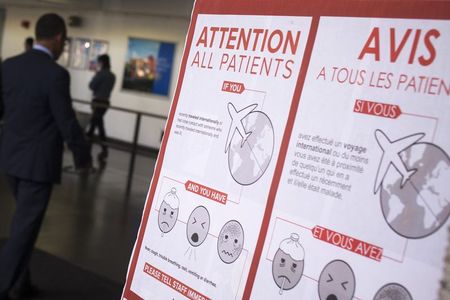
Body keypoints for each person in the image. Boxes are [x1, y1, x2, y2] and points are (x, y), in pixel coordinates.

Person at [0, 13, 92, 300]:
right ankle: (4, 287)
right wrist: (82, 156)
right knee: (23, 231)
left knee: (21, 224)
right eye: (63, 42)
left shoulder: (10, 66)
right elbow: (66, 120)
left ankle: (20, 284)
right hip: (37, 166)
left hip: (10, 159)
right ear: (58, 39)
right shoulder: (55, 75)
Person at [86, 54, 116, 163]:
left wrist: (95, 77)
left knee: (94, 125)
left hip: (97, 102)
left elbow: (91, 86)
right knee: (98, 124)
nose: (98, 64)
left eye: (98, 62)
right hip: (105, 103)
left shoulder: (100, 74)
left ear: (102, 63)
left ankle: (86, 150)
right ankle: (104, 149)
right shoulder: (112, 76)